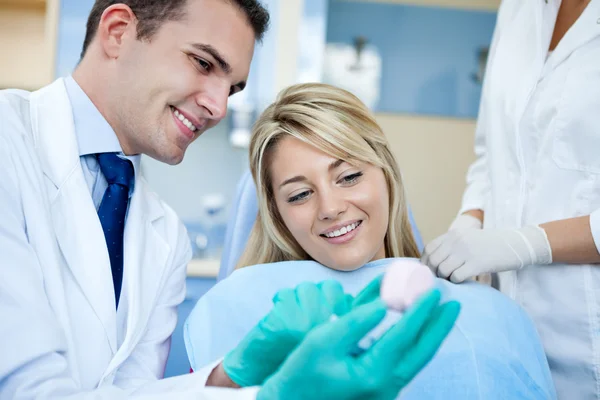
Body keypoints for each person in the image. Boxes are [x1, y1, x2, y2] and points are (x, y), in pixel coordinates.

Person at [0, 0, 456, 399]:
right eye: (203, 63)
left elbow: (129, 394)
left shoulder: (164, 235)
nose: (220, 107)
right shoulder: (8, 143)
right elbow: (25, 389)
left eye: (234, 87)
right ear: (119, 32)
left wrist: (231, 375)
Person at [184, 83, 557, 399]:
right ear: (275, 213)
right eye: (299, 195)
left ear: (386, 173)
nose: (330, 208)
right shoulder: (238, 309)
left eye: (348, 177)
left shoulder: (488, 314)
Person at [420, 0, 600, 397]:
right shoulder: (518, 8)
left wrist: (523, 244)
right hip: (510, 329)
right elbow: (493, 153)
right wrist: (470, 222)